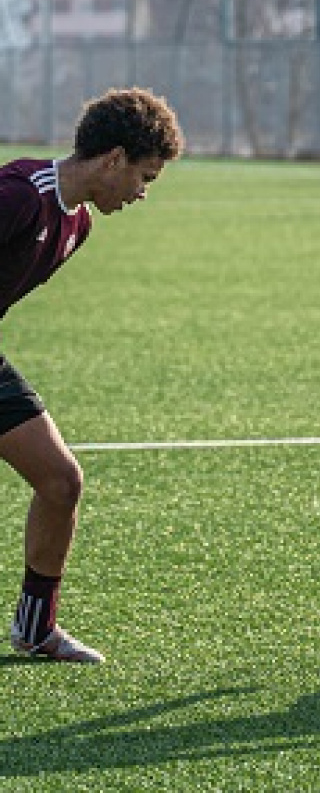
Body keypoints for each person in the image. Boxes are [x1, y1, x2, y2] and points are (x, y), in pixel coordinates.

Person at [2, 88, 184, 662]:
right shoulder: (17, 198)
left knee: (61, 483)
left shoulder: (76, 226)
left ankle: (35, 628)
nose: (142, 193)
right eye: (145, 177)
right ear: (113, 159)